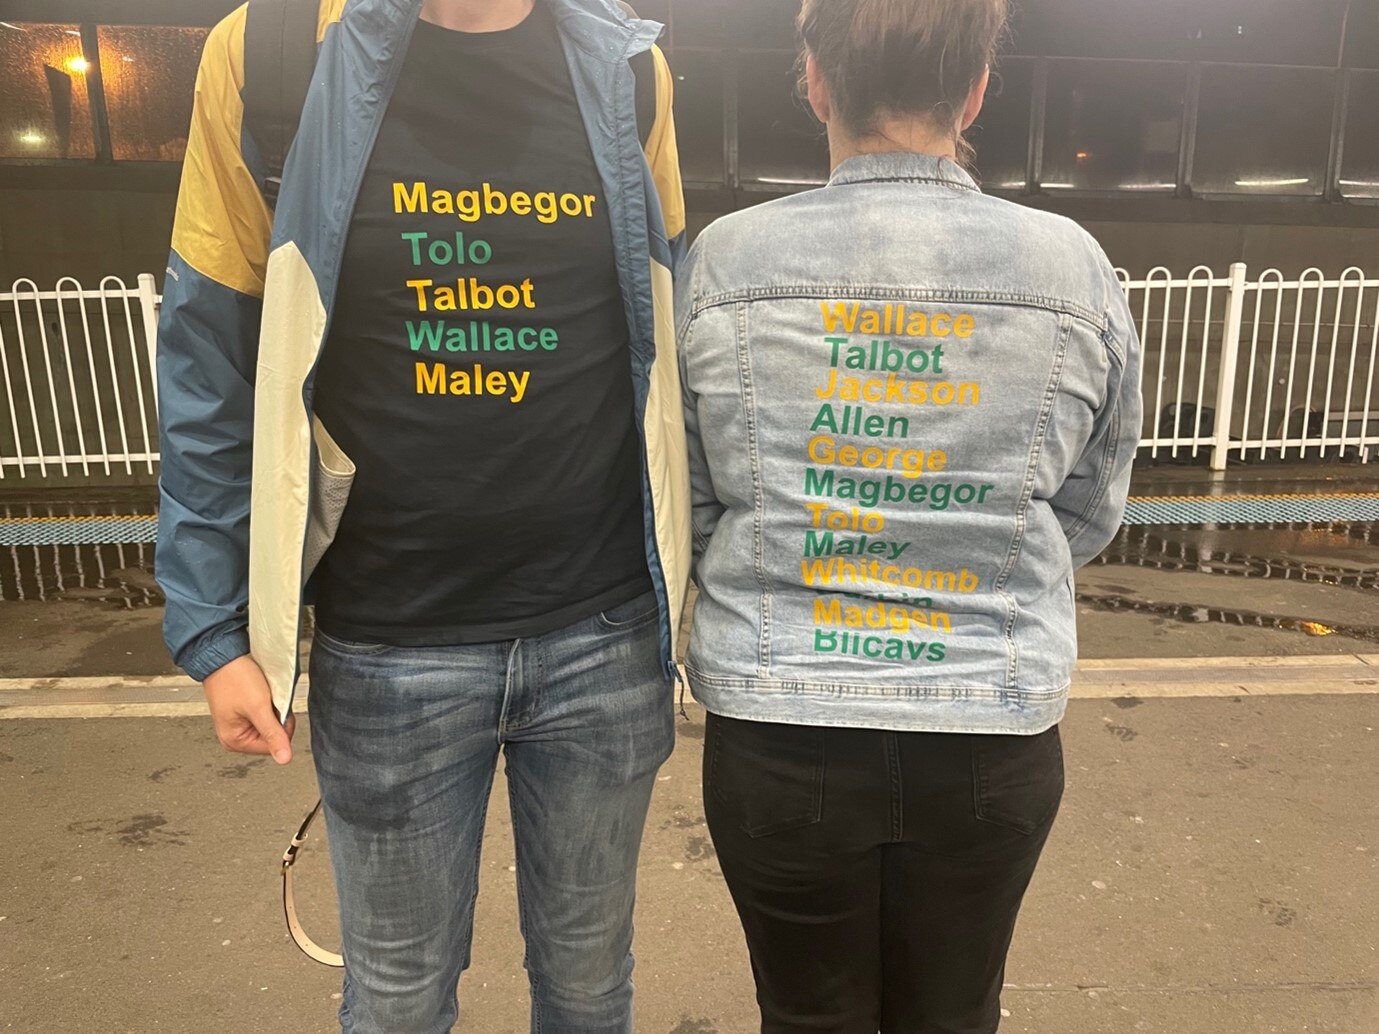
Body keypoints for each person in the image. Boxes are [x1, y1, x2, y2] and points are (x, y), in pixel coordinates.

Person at [155, 0, 691, 1031]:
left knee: (588, 989)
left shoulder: (629, 70)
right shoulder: (267, 57)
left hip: (604, 634)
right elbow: (207, 353)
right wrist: (214, 627)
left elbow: (668, 349)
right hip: (386, 643)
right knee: (397, 999)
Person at [676, 1, 1142, 1030]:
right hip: (988, 729)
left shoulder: (724, 262)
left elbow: (692, 506)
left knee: (805, 1013)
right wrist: (965, 555)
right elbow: (1088, 507)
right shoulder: (1071, 268)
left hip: (778, 723)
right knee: (953, 1012)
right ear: (975, 90)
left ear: (814, 79)